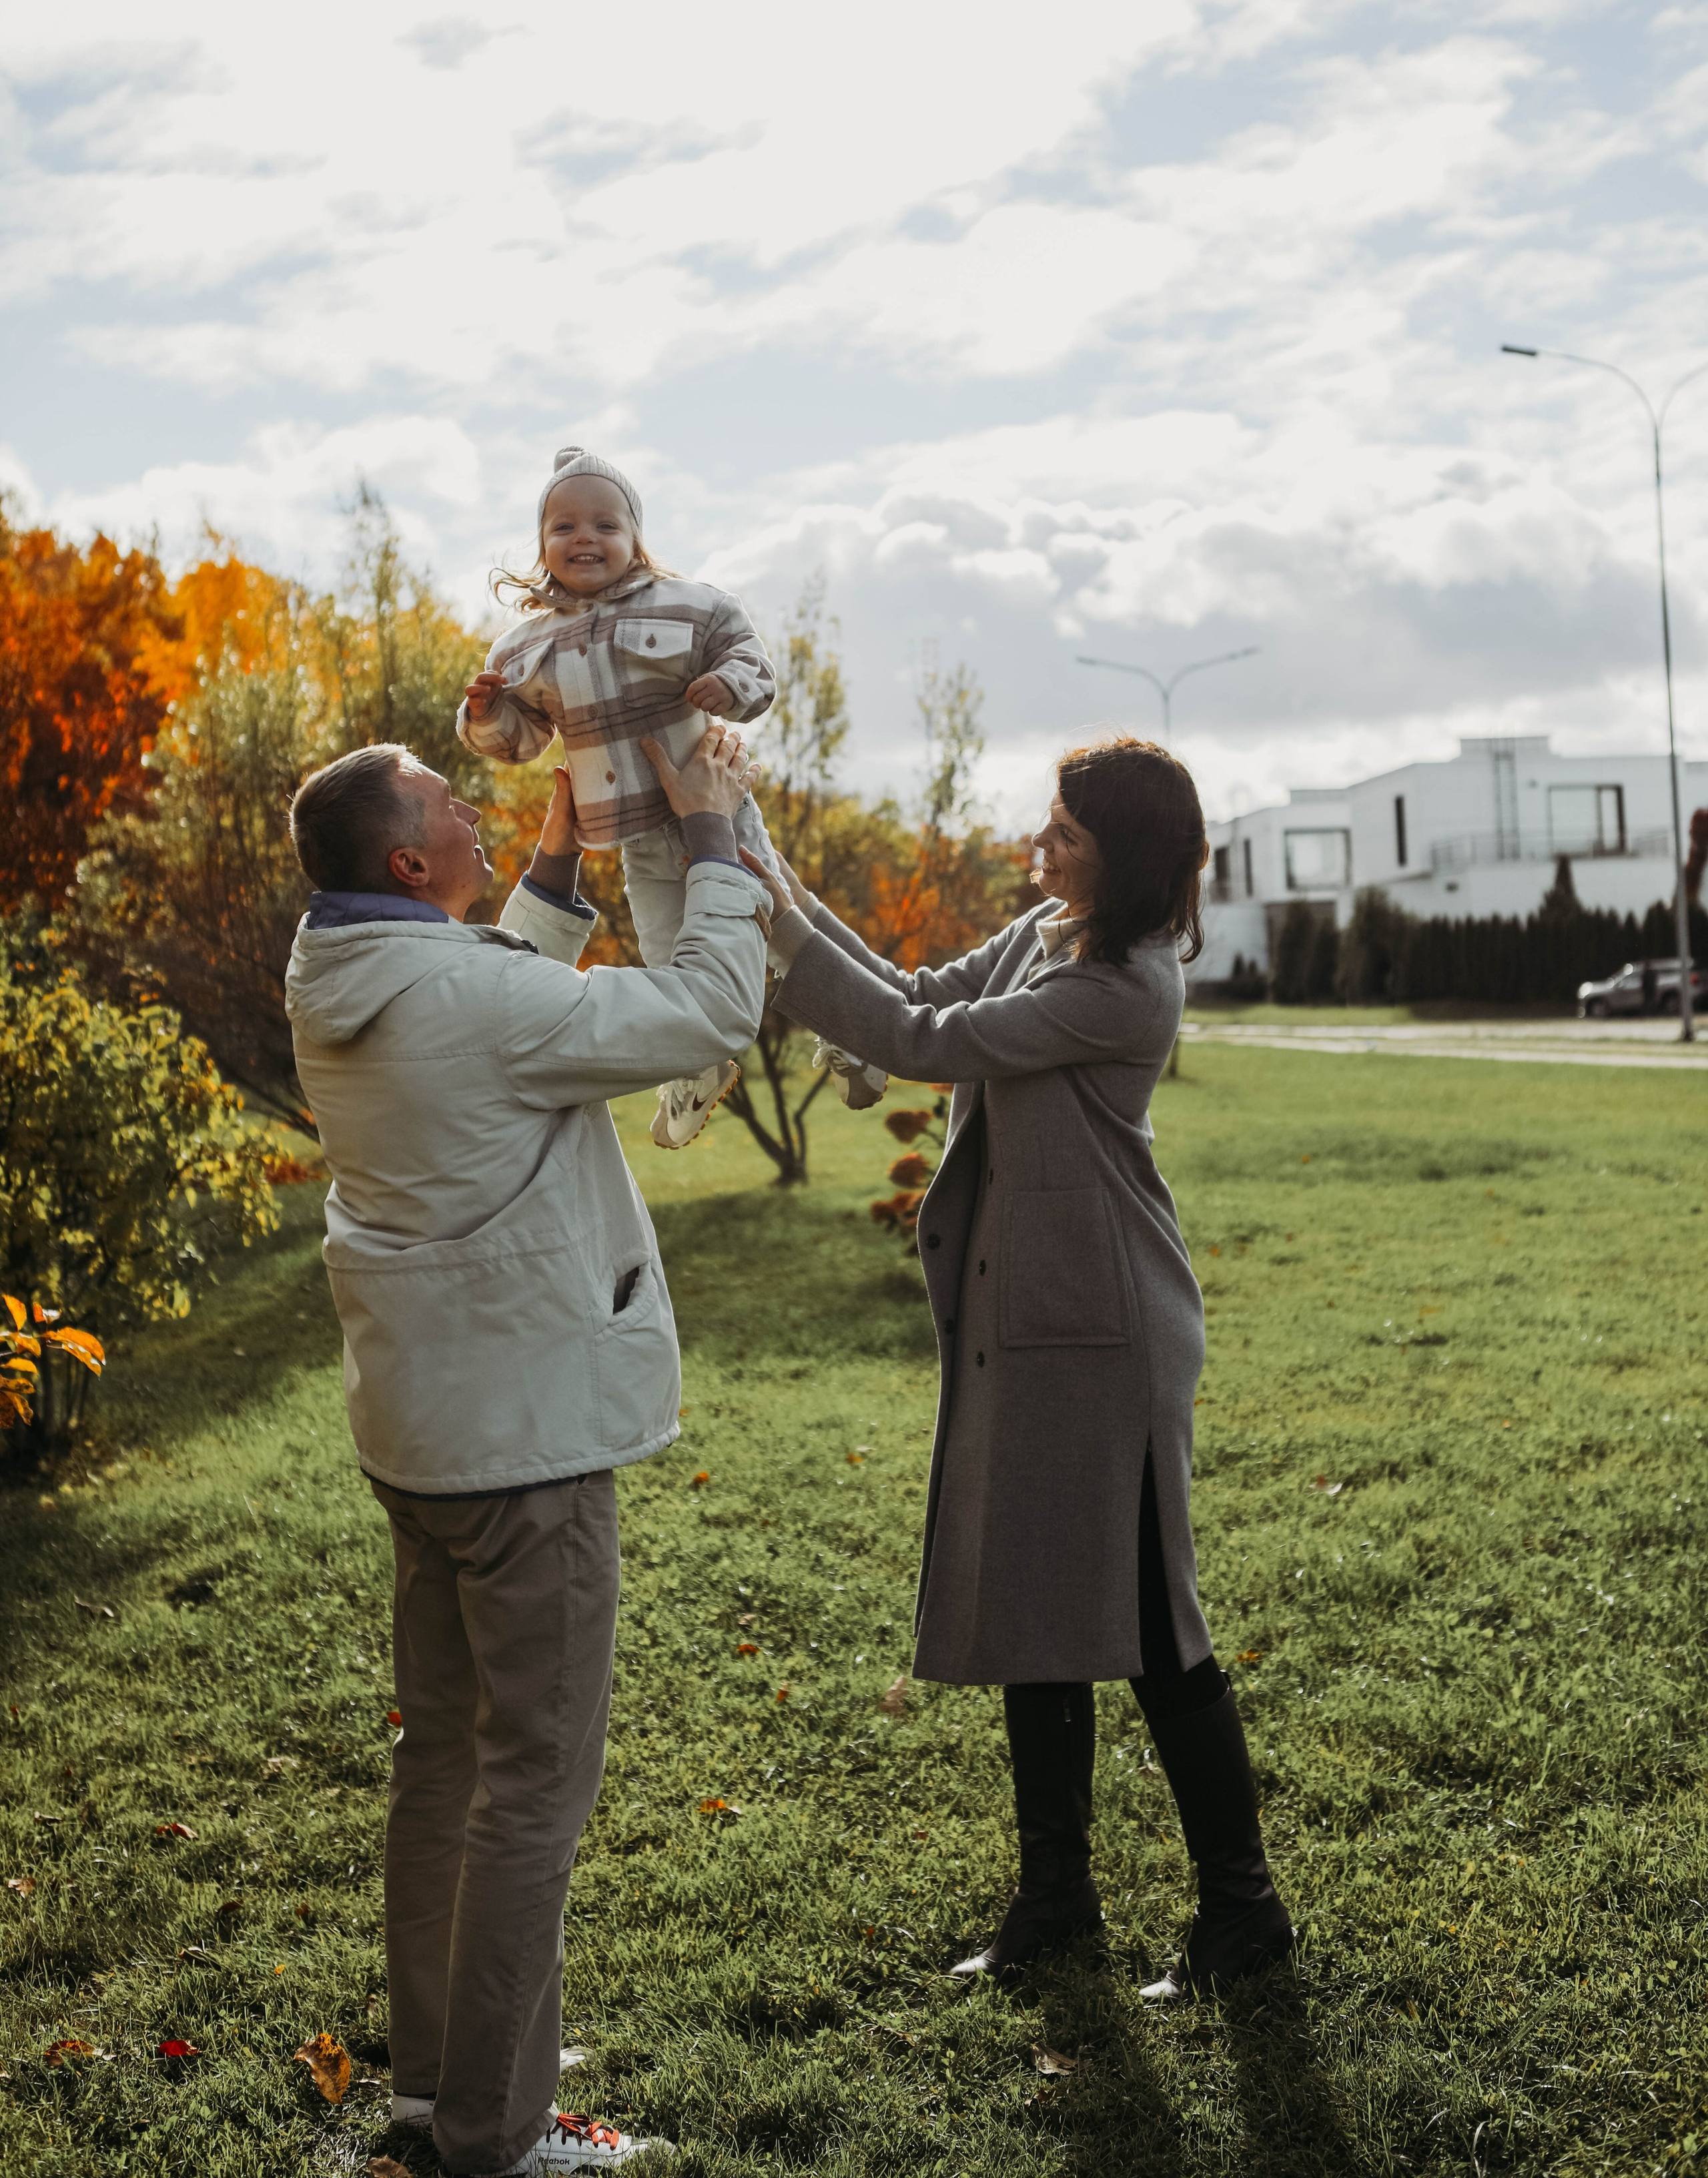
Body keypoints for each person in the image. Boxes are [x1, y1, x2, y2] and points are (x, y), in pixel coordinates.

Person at [286, 721, 768, 2173]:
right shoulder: (458, 998)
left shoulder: (340, 969)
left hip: (425, 1433)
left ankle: (438, 2088)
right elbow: (700, 1009)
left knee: (442, 1765)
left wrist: (558, 860)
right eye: (453, 806)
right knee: (530, 1790)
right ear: (411, 860)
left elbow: (489, 985)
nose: (480, 811)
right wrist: (725, 844)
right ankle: (499, 2138)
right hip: (522, 1453)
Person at [743, 734, 1294, 1999]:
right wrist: (753, 852)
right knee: (1040, 1610)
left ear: (1132, 862)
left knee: (1157, 1627)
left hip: (1107, 1331)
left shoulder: (1126, 986)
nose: (1038, 851)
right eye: (1047, 827)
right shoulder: (1054, 933)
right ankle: (1058, 1902)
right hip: (1034, 1315)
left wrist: (765, 907)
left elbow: (913, 1035)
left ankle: (1245, 1916)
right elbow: (905, 981)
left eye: (1066, 838)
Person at [457, 443, 886, 1143]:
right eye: (563, 528)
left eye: (604, 524)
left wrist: (729, 686)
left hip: (715, 812)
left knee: (777, 929)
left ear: (635, 540)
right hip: (630, 831)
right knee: (668, 954)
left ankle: (859, 1031)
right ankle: (699, 1065)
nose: (584, 538)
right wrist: (485, 717)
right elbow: (523, 740)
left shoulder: (688, 607)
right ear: (541, 548)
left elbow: (751, 660)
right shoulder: (524, 649)